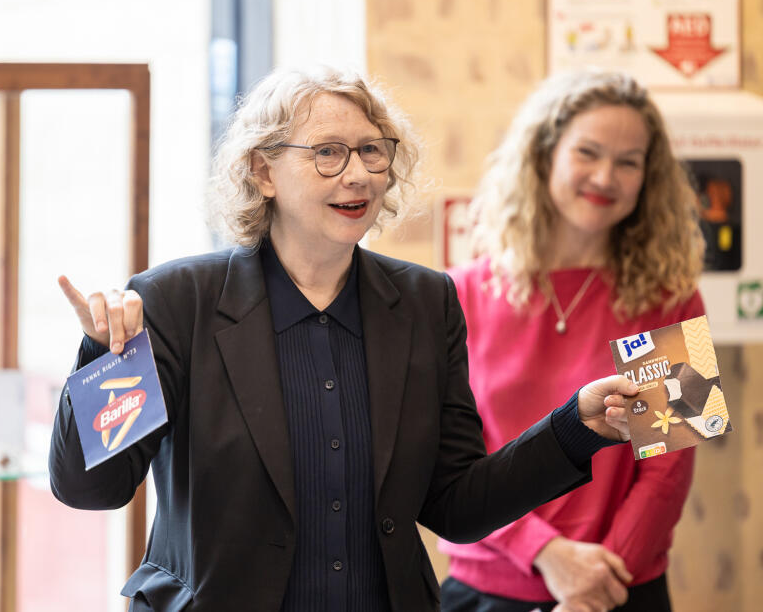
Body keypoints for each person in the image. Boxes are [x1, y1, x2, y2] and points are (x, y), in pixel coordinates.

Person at [49, 66, 639, 612]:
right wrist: (105, 357)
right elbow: (91, 489)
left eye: (371, 151)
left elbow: (457, 504)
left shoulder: (425, 302)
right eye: (327, 153)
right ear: (263, 172)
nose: (358, 175)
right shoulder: (176, 302)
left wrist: (575, 428)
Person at [438, 69, 704, 612]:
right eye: (588, 152)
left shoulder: (673, 298)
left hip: (620, 586)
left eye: (628, 162)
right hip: (487, 586)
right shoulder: (458, 294)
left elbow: (668, 469)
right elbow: (449, 463)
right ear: (545, 155)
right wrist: (545, 552)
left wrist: (594, 589)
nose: (605, 176)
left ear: (648, 178)